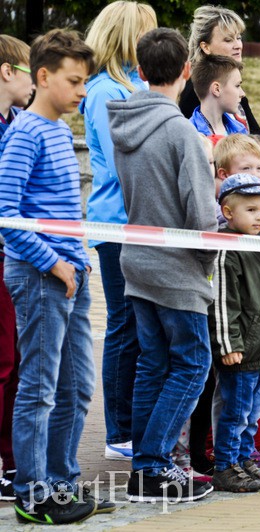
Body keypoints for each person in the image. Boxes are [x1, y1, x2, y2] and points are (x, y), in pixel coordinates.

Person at [108, 27, 217, 503]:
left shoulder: (124, 124)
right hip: (176, 267)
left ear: (139, 69)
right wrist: (209, 255)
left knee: (153, 364)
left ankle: (143, 467)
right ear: (187, 71)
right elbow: (199, 212)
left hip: (137, 258)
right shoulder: (180, 131)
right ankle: (152, 465)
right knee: (193, 362)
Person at [0, 29, 102, 524]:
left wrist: (75, 261)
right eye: (75, 80)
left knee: (78, 386)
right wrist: (53, 262)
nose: (83, 90)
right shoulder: (23, 134)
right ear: (43, 77)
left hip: (72, 273)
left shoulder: (60, 130)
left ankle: (62, 483)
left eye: (85, 81)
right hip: (43, 276)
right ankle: (32, 494)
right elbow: (6, 214)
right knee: (39, 388)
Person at [80, 1, 157, 464]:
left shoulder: (133, 86)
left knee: (140, 323)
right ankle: (120, 429)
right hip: (119, 222)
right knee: (125, 325)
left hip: (141, 222)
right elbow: (123, 159)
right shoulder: (107, 90)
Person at [208, 173, 260, 492]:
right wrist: (228, 344)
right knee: (236, 412)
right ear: (228, 212)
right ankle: (226, 466)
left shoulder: (259, 244)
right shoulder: (227, 249)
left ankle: (244, 460)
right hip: (241, 351)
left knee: (251, 414)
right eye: (251, 210)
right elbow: (223, 301)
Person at [0, 33, 30, 499]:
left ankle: (9, 459)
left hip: (16, 254)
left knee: (15, 360)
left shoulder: (20, 123)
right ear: (7, 71)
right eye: (28, 70)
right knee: (3, 360)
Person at [180, 5, 260, 134]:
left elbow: (257, 134)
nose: (238, 46)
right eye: (228, 40)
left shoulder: (232, 81)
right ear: (205, 47)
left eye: (239, 38)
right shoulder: (195, 89)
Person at [189, 54, 246, 137]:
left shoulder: (240, 130)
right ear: (216, 89)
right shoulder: (190, 135)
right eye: (237, 86)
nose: (243, 94)